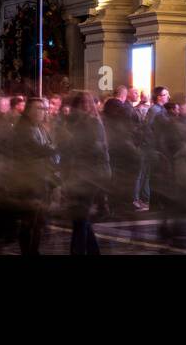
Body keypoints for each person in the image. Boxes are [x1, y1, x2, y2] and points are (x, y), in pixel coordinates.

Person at [59, 92, 110, 255]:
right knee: (80, 217)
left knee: (80, 216)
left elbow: (98, 149)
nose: (85, 106)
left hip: (90, 174)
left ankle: (78, 251)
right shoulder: (70, 123)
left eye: (87, 103)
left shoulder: (93, 123)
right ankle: (93, 251)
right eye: (81, 103)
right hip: (75, 173)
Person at [10, 98, 58, 255]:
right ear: (29, 110)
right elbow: (37, 149)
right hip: (29, 180)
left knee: (38, 221)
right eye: (39, 108)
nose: (43, 112)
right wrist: (54, 149)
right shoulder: (24, 128)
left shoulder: (40, 127)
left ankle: (33, 250)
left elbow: (48, 147)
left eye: (45, 108)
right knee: (30, 220)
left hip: (41, 177)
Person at [101, 86, 143, 212]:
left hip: (112, 145)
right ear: (124, 95)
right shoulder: (123, 108)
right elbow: (131, 126)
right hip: (123, 145)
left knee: (116, 174)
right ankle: (125, 201)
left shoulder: (107, 109)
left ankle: (115, 202)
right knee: (130, 172)